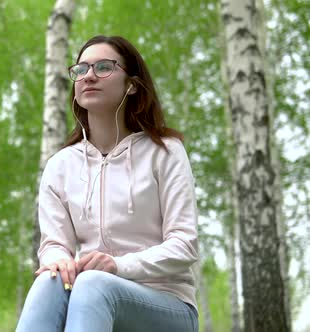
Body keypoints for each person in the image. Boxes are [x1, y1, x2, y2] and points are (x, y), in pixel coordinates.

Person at [16, 35, 199, 332]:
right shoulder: (60, 165)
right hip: (90, 299)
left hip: (167, 305)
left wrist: (118, 266)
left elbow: (184, 245)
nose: (89, 75)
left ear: (131, 85)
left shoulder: (165, 152)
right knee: (49, 281)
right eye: (81, 69)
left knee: (93, 283)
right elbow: (53, 245)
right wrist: (59, 261)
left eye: (103, 67)